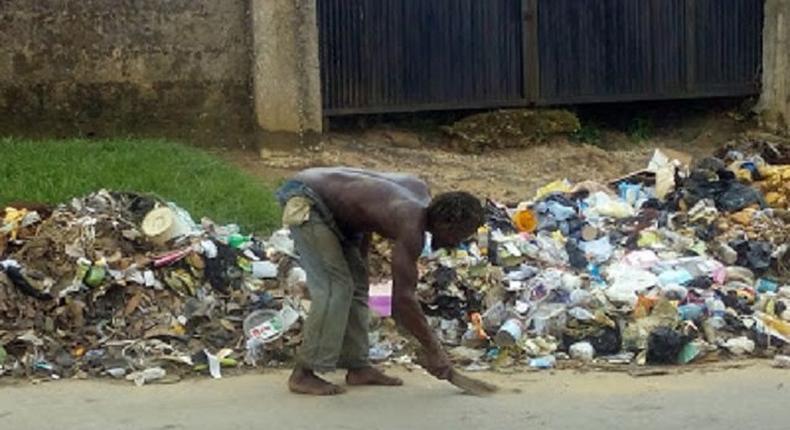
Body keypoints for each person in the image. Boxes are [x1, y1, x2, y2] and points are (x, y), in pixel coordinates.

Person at [276, 167, 485, 395]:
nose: (459, 242)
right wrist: (434, 351)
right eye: (460, 236)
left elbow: (365, 214)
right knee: (336, 287)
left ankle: (357, 366)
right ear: (447, 225)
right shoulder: (410, 221)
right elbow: (402, 300)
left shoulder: (418, 193)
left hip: (338, 212)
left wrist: (360, 262)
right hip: (308, 199)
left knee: (357, 285)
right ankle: (303, 374)